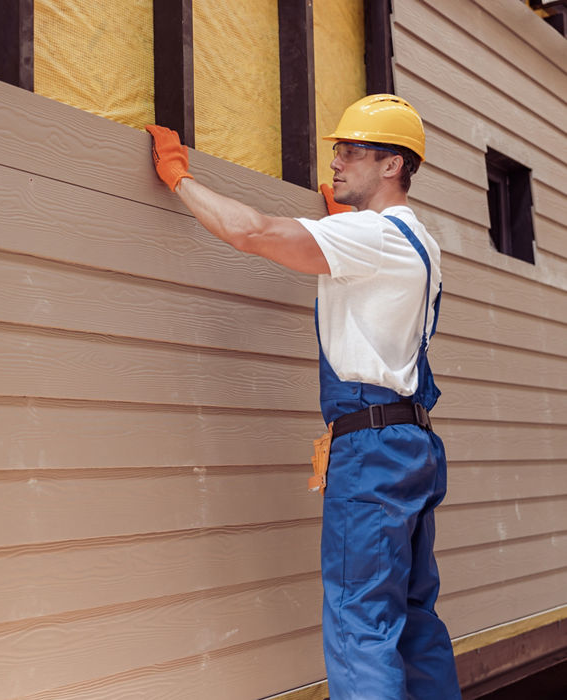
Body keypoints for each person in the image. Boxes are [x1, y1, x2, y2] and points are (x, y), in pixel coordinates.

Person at [146, 93, 462, 700]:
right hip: (412, 443)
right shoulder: (418, 240)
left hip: (370, 449)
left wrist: (180, 177)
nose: (337, 161)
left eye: (350, 150)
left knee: (360, 623)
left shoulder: (372, 236)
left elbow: (253, 232)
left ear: (392, 165)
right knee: (413, 617)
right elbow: (366, 281)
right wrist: (338, 224)